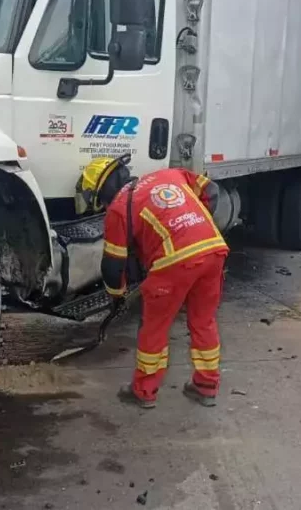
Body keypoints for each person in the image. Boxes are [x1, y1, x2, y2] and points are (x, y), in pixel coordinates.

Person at [75, 155, 229, 410]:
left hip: (174, 261)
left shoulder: (119, 207)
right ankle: (206, 386)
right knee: (204, 321)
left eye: (99, 200)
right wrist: (194, 225)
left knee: (153, 327)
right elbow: (212, 191)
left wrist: (117, 296)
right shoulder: (170, 175)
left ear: (103, 190)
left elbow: (113, 266)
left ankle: (143, 391)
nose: (102, 205)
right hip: (213, 250)